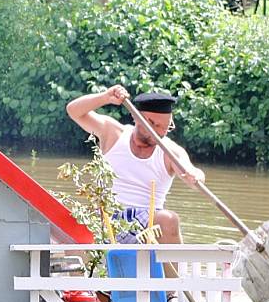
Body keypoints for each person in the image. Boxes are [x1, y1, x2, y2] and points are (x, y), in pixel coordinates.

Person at [66, 86, 205, 249]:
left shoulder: (170, 150)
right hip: (105, 217)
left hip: (147, 225)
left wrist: (195, 175)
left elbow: (191, 170)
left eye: (165, 127)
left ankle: (175, 275)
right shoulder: (114, 133)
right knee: (74, 223)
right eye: (155, 125)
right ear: (137, 118)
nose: (161, 133)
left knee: (169, 219)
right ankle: (84, 273)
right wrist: (105, 97)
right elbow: (74, 111)